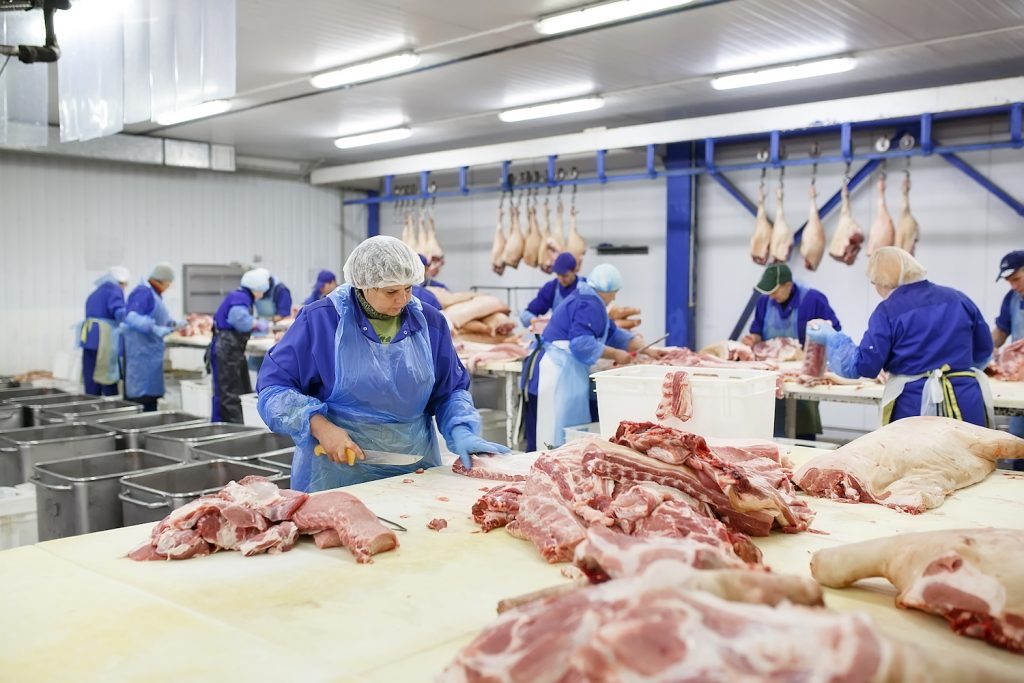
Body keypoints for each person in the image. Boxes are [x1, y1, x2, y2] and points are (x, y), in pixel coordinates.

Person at [256, 236, 508, 492]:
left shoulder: (429, 322)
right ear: (364, 285)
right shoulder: (322, 321)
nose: (402, 300)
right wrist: (320, 427)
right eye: (391, 292)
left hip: (416, 473)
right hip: (335, 477)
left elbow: (450, 390)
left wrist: (462, 430)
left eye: (408, 289)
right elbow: (274, 390)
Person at [809, 247, 994, 427]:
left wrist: (832, 338)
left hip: (915, 407)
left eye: (874, 284)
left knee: (919, 458)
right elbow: (984, 353)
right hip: (965, 403)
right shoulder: (958, 298)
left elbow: (865, 365)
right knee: (968, 456)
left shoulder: (888, 311)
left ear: (882, 281)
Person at [522, 263, 657, 452]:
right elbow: (581, 343)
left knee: (567, 430)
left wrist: (647, 349)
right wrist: (616, 354)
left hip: (567, 369)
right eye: (614, 292)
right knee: (559, 431)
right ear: (605, 289)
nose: (615, 297)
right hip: (559, 370)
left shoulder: (589, 300)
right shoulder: (590, 303)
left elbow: (613, 334)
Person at [740, 263, 841, 440]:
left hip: (801, 372)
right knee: (772, 422)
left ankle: (804, 449)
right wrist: (753, 339)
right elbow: (757, 330)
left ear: (788, 285)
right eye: (769, 292)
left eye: (775, 291)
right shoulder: (765, 301)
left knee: (802, 420)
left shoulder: (813, 299)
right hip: (772, 370)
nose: (772, 295)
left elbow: (833, 331)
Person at [210, 269, 272, 423]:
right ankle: (231, 429)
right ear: (257, 287)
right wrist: (259, 324)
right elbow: (241, 322)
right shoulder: (240, 297)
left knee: (233, 390)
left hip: (229, 348)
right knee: (229, 393)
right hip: (227, 348)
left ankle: (229, 426)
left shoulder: (240, 296)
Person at [123, 263, 180, 412]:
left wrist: (175, 324)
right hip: (141, 353)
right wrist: (154, 328)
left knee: (150, 398)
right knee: (139, 399)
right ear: (162, 280)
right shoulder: (144, 293)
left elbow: (160, 318)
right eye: (169, 283)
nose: (168, 286)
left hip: (150, 353)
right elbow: (131, 317)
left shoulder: (155, 295)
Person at [80, 266, 130, 396]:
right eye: (124, 285)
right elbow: (119, 312)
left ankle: (91, 403)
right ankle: (110, 407)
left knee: (91, 374)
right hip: (104, 339)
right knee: (107, 374)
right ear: (121, 282)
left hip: (89, 338)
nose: (124, 288)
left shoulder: (95, 293)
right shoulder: (114, 290)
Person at [991, 250, 1024, 438]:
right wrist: (985, 347)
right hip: (1020, 383)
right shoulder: (1012, 298)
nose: (1013, 286)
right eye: (1009, 281)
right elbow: (1001, 331)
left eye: (1017, 279)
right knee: (1018, 440)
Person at [518, 252, 583, 328]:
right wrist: (533, 320)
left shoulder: (586, 288)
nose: (561, 279)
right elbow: (526, 314)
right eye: (558, 275)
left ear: (574, 271)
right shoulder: (551, 287)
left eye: (565, 276)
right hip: (558, 337)